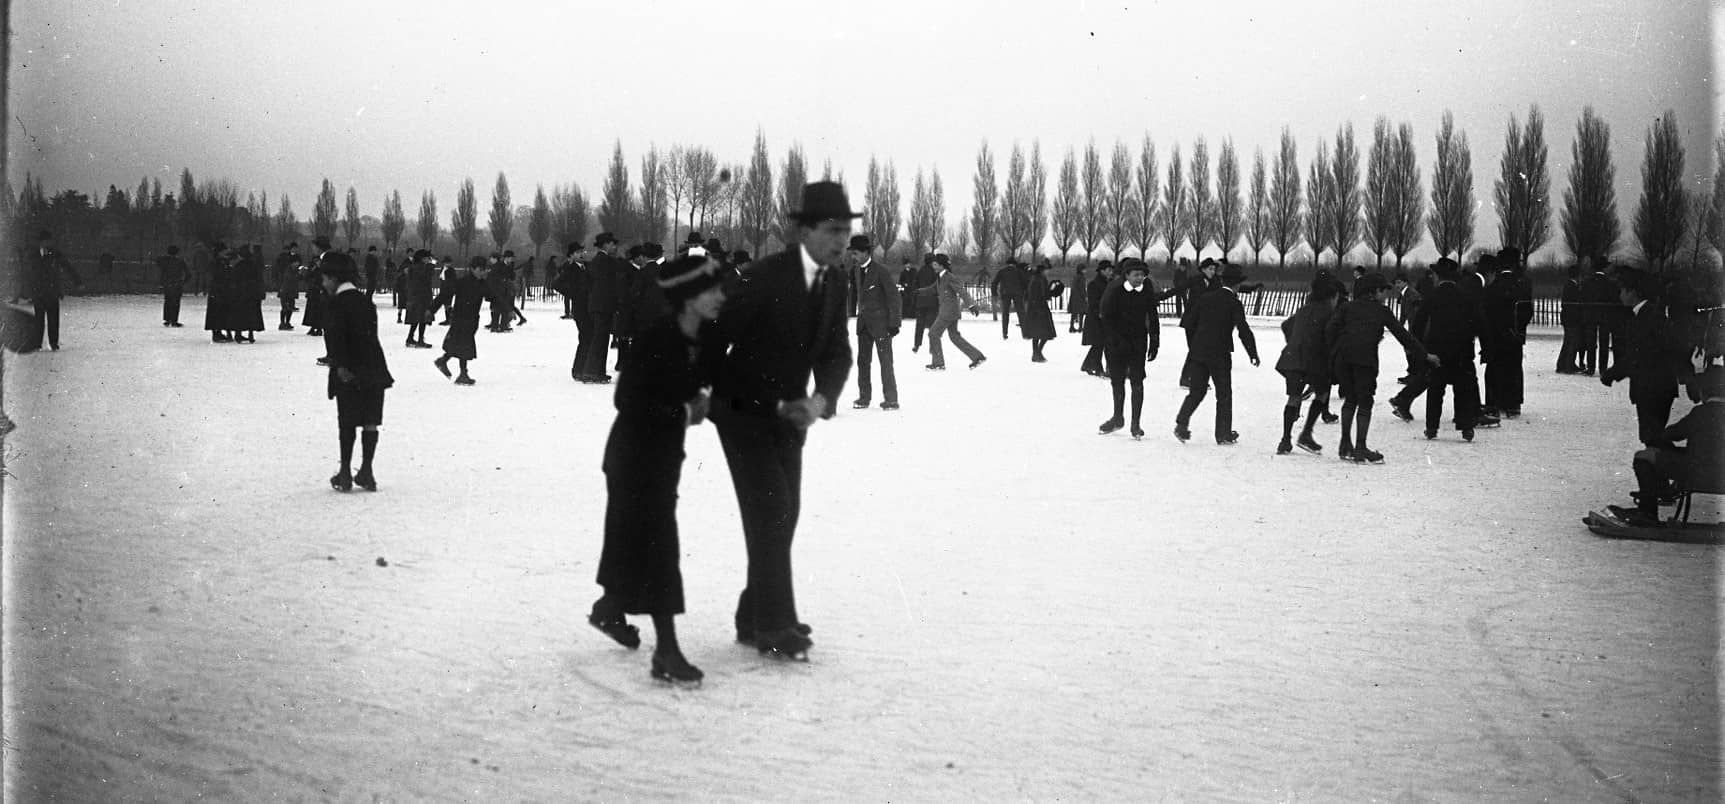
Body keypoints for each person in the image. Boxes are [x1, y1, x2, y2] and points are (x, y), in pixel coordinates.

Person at [698, 181, 855, 661]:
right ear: (804, 230)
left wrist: (820, 401)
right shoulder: (765, 276)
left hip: (790, 417)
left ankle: (754, 614)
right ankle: (775, 624)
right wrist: (706, 389)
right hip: (741, 413)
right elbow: (709, 328)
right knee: (771, 510)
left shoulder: (834, 282)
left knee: (783, 514)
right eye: (831, 231)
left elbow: (837, 353)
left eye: (846, 233)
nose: (840, 242)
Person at [589, 253, 726, 685]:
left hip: (663, 456)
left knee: (633, 539)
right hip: (634, 458)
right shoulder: (657, 337)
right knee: (661, 547)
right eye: (713, 290)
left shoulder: (700, 337)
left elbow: (709, 386)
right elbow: (626, 401)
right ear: (688, 297)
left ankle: (609, 608)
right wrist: (685, 412)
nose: (722, 297)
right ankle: (666, 650)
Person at [1326, 272, 1438, 464]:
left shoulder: (1347, 307)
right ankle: (1360, 447)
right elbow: (1404, 336)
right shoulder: (1381, 311)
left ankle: (1345, 444)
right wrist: (1425, 355)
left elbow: (1330, 330)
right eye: (1383, 291)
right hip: (1365, 360)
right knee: (1365, 402)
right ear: (1374, 291)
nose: (1386, 295)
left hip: (1343, 359)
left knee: (1351, 400)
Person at [1611, 362, 1724, 527]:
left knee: (1644, 458)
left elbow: (1671, 434)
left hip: (1697, 472)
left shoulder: (1701, 413)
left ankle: (1648, 510)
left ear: (1705, 390)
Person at [319, 251, 393, 492]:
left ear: (333, 278)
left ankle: (344, 473)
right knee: (371, 421)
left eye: (325, 278)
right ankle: (367, 471)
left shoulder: (336, 304)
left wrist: (339, 366)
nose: (323, 283)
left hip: (348, 370)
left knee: (348, 422)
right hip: (374, 368)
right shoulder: (365, 301)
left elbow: (335, 338)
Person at [1400, 257, 1490, 441]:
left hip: (1437, 351)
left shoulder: (1432, 296)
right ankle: (1466, 427)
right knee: (1462, 389)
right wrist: (1478, 342)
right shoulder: (1465, 295)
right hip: (1462, 350)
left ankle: (1432, 427)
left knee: (1436, 390)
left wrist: (1418, 349)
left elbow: (1419, 323)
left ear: (1437, 276)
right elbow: (1479, 322)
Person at [1174, 262, 1258, 445]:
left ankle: (1181, 424)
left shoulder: (1206, 298)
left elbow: (1190, 321)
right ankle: (1223, 434)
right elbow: (1243, 330)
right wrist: (1253, 352)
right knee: (1224, 394)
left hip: (1198, 352)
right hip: (1220, 353)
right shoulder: (1234, 303)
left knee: (1196, 391)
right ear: (1236, 285)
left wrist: (1198, 341)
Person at [1602, 267, 1680, 446]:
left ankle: (1664, 470)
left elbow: (1638, 355)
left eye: (1623, 290)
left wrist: (1613, 373)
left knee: (1651, 438)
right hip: (1657, 386)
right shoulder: (1649, 314)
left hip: (1651, 388)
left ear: (1633, 293)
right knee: (1653, 437)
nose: (1620, 295)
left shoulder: (1645, 318)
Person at [1097, 259, 1162, 437]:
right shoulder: (1115, 290)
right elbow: (1105, 317)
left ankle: (1136, 424)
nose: (1140, 278)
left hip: (1138, 343)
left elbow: (1152, 316)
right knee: (1117, 381)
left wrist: (1155, 340)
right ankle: (1117, 418)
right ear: (1127, 275)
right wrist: (1114, 340)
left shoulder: (1146, 291)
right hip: (1116, 343)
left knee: (1137, 381)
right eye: (1136, 275)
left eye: (1142, 275)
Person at [1273, 280, 1338, 455]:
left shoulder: (1303, 310)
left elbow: (1286, 325)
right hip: (1315, 361)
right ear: (1331, 297)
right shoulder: (1330, 312)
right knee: (1322, 393)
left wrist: (1294, 343)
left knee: (1293, 398)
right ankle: (1306, 433)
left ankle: (1285, 440)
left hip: (1293, 359)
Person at [848, 235, 902, 410]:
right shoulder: (856, 270)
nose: (853, 257)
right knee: (862, 362)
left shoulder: (881, 271)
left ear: (865, 252)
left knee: (885, 362)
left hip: (882, 325)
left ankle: (891, 400)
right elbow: (856, 294)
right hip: (863, 325)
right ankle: (864, 398)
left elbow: (894, 298)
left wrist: (895, 323)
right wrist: (852, 314)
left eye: (855, 253)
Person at [1480, 247, 1532, 418]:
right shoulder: (1523, 284)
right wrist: (1518, 329)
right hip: (1515, 335)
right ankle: (1513, 404)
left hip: (1495, 334)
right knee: (1514, 367)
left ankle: (1493, 403)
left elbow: (1486, 311)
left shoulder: (1492, 285)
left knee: (1494, 367)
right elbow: (1527, 310)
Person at [431, 257, 489, 386]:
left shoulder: (482, 283)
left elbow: (494, 296)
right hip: (460, 318)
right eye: (480, 270)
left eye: (484, 270)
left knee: (460, 345)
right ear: (473, 269)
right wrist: (431, 309)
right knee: (464, 346)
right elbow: (444, 294)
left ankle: (444, 361)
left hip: (472, 320)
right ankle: (462, 374)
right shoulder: (462, 282)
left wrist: (507, 309)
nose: (483, 272)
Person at [23, 230, 82, 351]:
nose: (47, 243)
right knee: (39, 319)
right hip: (39, 292)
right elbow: (27, 273)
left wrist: (77, 281)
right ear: (40, 242)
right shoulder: (32, 255)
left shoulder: (55, 254)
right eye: (45, 241)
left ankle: (53, 343)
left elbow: (67, 266)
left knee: (53, 319)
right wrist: (28, 289)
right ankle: (37, 343)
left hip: (52, 291)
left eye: (48, 241)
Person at [578, 233, 625, 383]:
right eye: (612, 244)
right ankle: (593, 372)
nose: (614, 247)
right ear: (605, 244)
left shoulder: (596, 261)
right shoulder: (606, 261)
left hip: (597, 305)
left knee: (599, 338)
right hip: (604, 306)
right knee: (600, 339)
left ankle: (595, 371)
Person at [925, 254, 986, 370]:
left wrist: (972, 305)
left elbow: (962, 291)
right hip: (950, 311)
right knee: (954, 336)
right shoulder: (940, 277)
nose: (933, 266)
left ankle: (938, 363)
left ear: (941, 265)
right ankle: (977, 357)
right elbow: (933, 289)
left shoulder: (949, 277)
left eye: (935, 264)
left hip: (948, 312)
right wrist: (918, 291)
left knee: (933, 334)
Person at [1079, 261, 1114, 376]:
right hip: (1096, 318)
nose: (1111, 272)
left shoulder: (1108, 283)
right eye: (1109, 270)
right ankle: (1097, 368)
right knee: (1099, 343)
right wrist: (1101, 311)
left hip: (1104, 318)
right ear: (1102, 271)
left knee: (1099, 344)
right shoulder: (1094, 284)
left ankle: (1087, 365)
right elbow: (1094, 302)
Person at [402, 251, 437, 348]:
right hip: (422, 296)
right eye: (427, 258)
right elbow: (426, 277)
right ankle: (420, 340)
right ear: (422, 258)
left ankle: (410, 338)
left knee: (415, 318)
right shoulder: (422, 268)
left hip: (415, 296)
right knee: (422, 319)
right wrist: (431, 265)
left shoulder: (414, 267)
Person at [1556, 262, 1585, 374]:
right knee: (1573, 342)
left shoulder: (1569, 285)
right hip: (1572, 318)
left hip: (1567, 317)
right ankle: (1568, 365)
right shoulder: (1572, 287)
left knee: (1568, 341)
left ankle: (1563, 364)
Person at [990, 258, 1028, 339]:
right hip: (1018, 293)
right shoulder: (1018, 271)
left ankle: (1005, 333)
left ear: (1007, 263)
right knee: (1021, 312)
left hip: (1005, 293)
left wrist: (994, 294)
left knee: (1005, 313)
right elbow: (1025, 282)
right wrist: (1024, 292)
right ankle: (1025, 333)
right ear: (1014, 264)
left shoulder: (1002, 271)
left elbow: (994, 283)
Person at [910, 254, 939, 353]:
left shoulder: (920, 271)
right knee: (932, 326)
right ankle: (932, 346)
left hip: (921, 301)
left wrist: (915, 300)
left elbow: (915, 285)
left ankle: (916, 344)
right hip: (932, 302)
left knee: (919, 324)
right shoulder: (935, 272)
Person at [158, 245, 189, 327]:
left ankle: (167, 319)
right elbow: (188, 273)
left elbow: (158, 263)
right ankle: (174, 320)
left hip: (167, 284)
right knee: (176, 302)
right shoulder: (180, 261)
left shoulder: (164, 261)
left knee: (167, 301)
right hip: (177, 284)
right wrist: (183, 281)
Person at [274, 242, 301, 331]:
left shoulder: (294, 269)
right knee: (285, 306)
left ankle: (287, 322)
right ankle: (282, 323)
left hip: (291, 289)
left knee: (290, 306)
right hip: (285, 289)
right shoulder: (286, 269)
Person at [1068, 264, 1089, 333]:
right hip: (1080, 297)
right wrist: (1085, 295)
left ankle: (1071, 326)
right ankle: (1080, 327)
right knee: (1081, 312)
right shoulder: (1082, 277)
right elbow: (1082, 288)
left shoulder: (1075, 276)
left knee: (1074, 312)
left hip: (1074, 296)